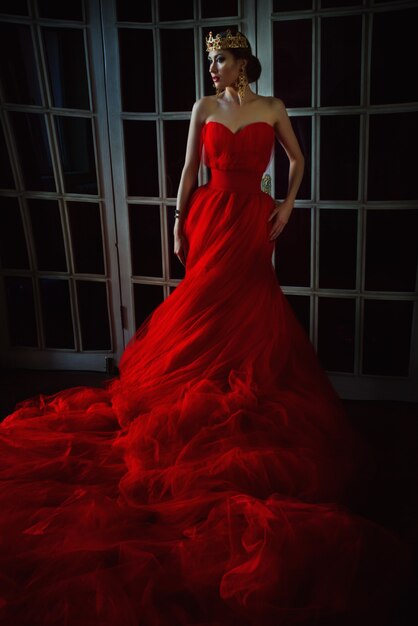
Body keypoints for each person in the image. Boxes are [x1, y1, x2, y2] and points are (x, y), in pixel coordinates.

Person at [0, 29, 411, 626]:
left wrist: (289, 202)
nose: (214, 69)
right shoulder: (202, 107)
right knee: (201, 305)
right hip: (210, 214)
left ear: (243, 60)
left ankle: (232, 379)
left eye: (221, 59)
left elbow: (298, 159)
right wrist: (176, 224)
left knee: (249, 305)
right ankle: (194, 381)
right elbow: (191, 167)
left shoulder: (271, 108)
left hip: (252, 219)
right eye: (210, 61)